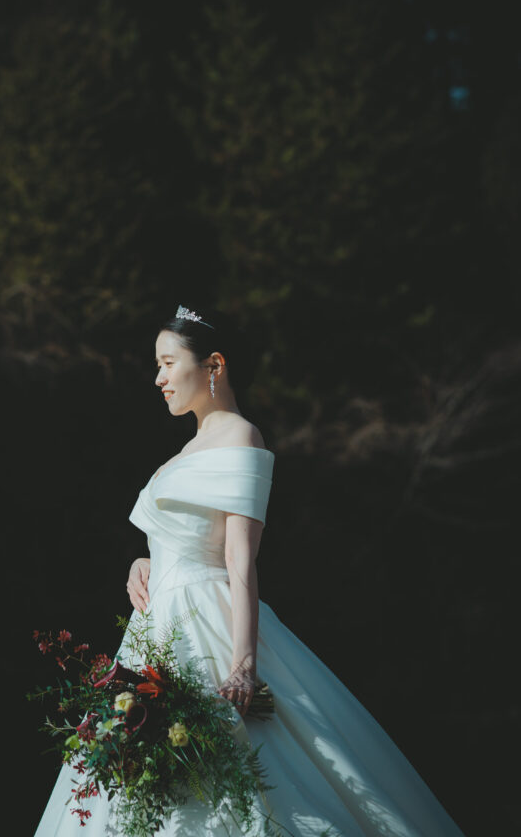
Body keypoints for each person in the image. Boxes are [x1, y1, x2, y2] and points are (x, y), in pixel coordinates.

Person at [34, 304, 467, 837]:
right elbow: (188, 537)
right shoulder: (188, 448)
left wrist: (242, 663)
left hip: (207, 624)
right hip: (157, 630)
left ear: (214, 364)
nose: (158, 378)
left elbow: (239, 556)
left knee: (246, 778)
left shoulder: (241, 437)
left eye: (168, 363)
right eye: (157, 365)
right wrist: (145, 560)